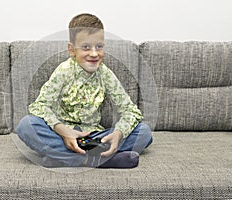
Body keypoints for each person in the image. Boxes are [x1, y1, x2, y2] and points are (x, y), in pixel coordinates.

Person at [16, 13, 152, 168]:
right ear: (72, 50)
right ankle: (95, 160)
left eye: (99, 47)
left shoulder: (105, 74)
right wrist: (63, 130)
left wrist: (118, 133)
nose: (94, 53)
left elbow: (130, 111)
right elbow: (39, 106)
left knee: (144, 132)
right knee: (26, 125)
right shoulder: (64, 72)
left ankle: (62, 158)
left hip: (94, 138)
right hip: (62, 136)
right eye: (86, 47)